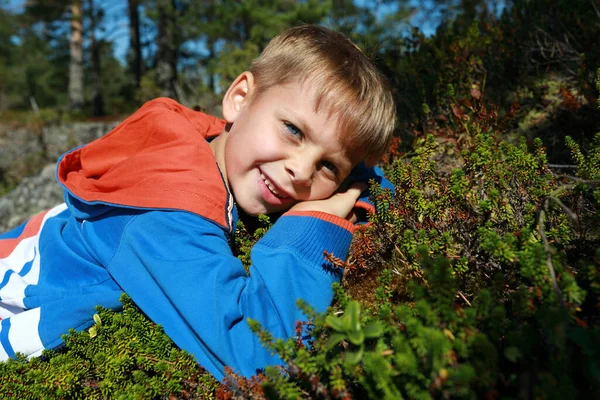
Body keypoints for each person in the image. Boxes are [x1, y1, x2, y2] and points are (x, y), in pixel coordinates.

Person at [0, 25, 395, 380]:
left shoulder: (212, 144)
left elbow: (364, 174)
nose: (302, 171)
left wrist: (357, 186)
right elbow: (261, 358)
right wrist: (311, 229)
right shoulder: (164, 216)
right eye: (293, 130)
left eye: (328, 166)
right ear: (240, 98)